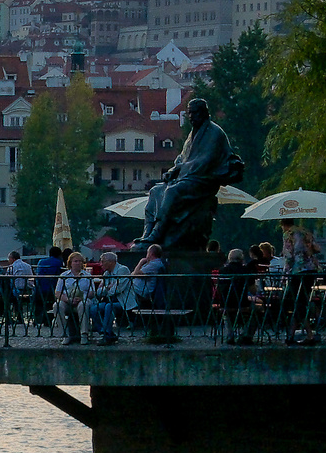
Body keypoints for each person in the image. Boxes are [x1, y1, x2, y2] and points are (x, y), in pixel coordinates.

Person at [135, 97, 244, 249]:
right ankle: (148, 233)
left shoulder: (214, 132)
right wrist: (173, 170)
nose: (191, 117)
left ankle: (158, 233)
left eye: (194, 113)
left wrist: (181, 170)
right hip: (188, 177)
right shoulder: (193, 133)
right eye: (189, 113)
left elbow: (206, 160)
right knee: (155, 191)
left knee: (172, 192)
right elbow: (182, 157)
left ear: (204, 113)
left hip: (202, 180)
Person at [88, 251, 132, 345]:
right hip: (110, 300)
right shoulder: (106, 273)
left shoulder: (123, 270)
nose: (101, 264)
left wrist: (107, 289)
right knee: (94, 308)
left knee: (109, 306)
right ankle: (105, 332)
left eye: (103, 261)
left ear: (111, 262)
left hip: (123, 300)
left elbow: (117, 289)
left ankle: (106, 335)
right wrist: (108, 288)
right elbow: (98, 292)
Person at [54, 252, 94, 344]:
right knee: (57, 306)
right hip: (67, 299)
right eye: (75, 261)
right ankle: (65, 334)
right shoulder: (64, 275)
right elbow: (58, 292)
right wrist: (68, 300)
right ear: (70, 263)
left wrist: (82, 297)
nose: (78, 263)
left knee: (83, 305)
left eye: (80, 261)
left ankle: (84, 334)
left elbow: (92, 292)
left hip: (83, 299)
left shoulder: (87, 276)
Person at [34, 246, 65, 324]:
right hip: (52, 289)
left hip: (39, 289)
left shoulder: (41, 261)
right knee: (51, 302)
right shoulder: (58, 262)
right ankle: (48, 319)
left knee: (39, 303)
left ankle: (37, 319)